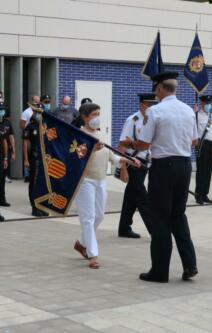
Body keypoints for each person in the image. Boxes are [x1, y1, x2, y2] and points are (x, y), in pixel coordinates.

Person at [125, 71, 198, 283]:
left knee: (160, 218)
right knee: (178, 215)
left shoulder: (155, 111)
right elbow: (194, 141)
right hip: (184, 165)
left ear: (159, 88)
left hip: (163, 166)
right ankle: (190, 264)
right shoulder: (188, 110)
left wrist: (131, 142)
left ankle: (160, 271)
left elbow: (144, 144)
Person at [73, 102, 139, 269]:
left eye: (98, 114)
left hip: (100, 181)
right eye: (94, 115)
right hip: (85, 182)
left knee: (99, 216)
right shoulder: (79, 135)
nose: (97, 118)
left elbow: (113, 157)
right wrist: (92, 149)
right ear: (84, 117)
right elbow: (77, 158)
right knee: (88, 218)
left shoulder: (100, 136)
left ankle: (82, 243)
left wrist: (129, 160)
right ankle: (92, 255)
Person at [116, 93, 155, 239]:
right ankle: (154, 230)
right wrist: (123, 168)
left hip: (144, 162)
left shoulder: (151, 120)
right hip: (133, 163)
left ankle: (124, 228)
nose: (152, 107)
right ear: (142, 104)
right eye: (149, 105)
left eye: (153, 105)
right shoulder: (133, 120)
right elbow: (121, 145)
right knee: (143, 198)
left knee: (131, 197)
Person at [23, 105, 49, 217]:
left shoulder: (44, 126)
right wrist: (26, 159)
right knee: (33, 182)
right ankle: (34, 207)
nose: (39, 114)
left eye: (41, 112)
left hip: (43, 158)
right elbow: (25, 144)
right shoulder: (30, 127)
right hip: (34, 157)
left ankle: (40, 206)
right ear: (33, 112)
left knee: (42, 183)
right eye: (37, 112)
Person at [193, 95, 212, 205]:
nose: (209, 105)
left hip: (210, 144)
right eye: (206, 103)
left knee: (208, 171)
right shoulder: (196, 115)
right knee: (201, 171)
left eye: (210, 103)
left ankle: (205, 194)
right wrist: (193, 113)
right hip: (201, 144)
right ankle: (198, 195)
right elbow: (191, 128)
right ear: (202, 104)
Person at [20, 95, 40, 182]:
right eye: (36, 102)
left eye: (38, 102)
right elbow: (21, 125)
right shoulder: (26, 112)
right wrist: (30, 128)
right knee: (29, 156)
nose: (37, 103)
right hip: (29, 136)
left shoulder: (39, 112)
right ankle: (27, 175)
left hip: (37, 137)